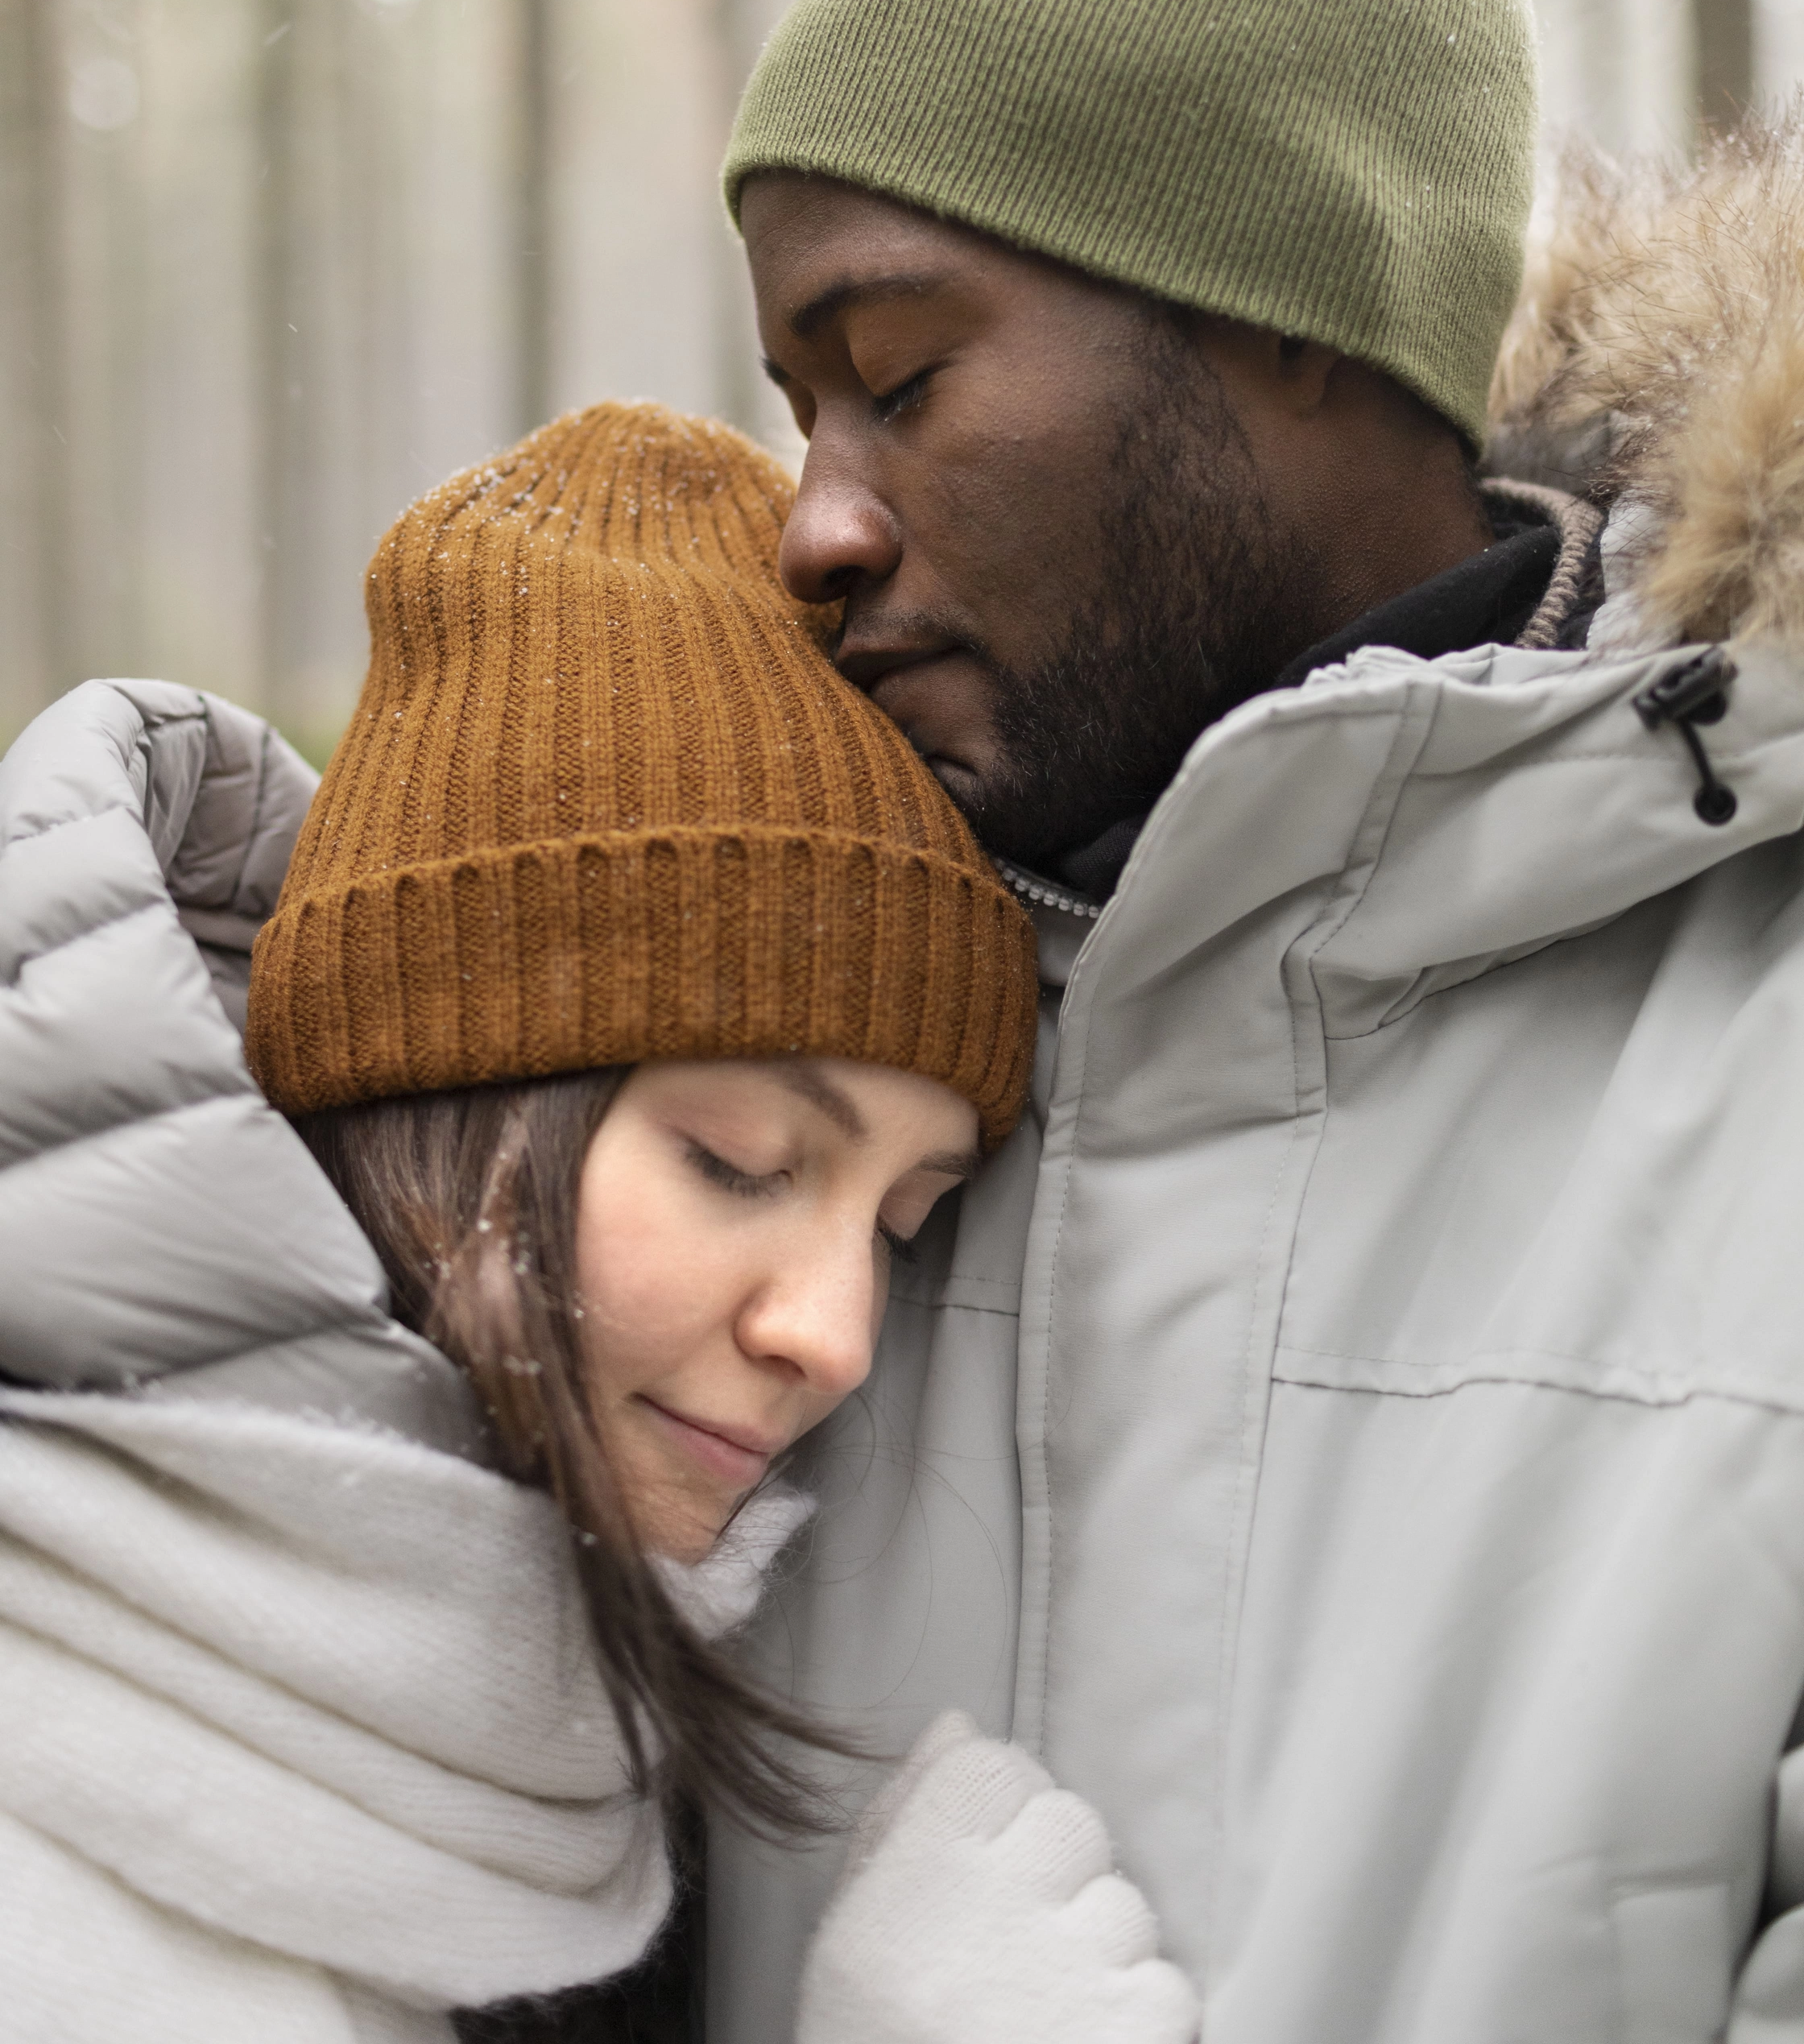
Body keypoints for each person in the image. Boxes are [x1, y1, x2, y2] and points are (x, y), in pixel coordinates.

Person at [688, 0, 1804, 2043]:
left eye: (898, 377)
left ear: (1290, 312)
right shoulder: (764, 1073)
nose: (815, 527)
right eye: (793, 409)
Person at [2, 400, 1163, 2042]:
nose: (829, 1339)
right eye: (741, 1162)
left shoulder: (537, 1739)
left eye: (902, 1228)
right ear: (447, 1102)